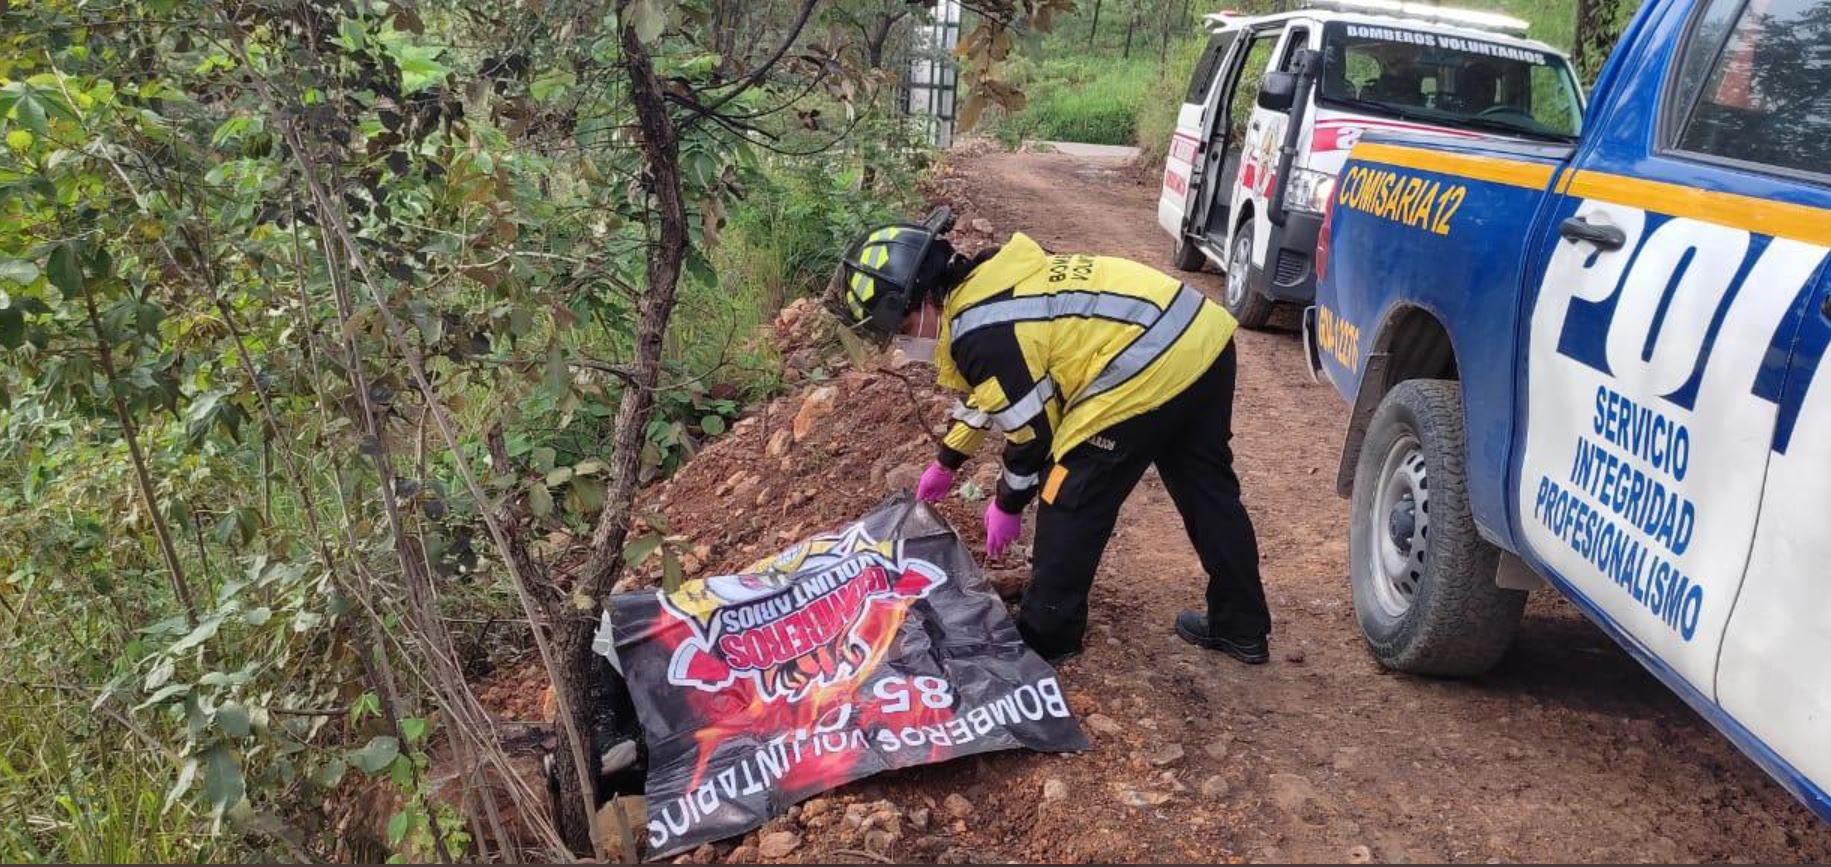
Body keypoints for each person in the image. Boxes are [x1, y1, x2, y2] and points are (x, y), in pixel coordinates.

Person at [830, 209, 1272, 664]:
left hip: (1145, 361)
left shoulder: (979, 331)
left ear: (921, 301)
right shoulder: (987, 282)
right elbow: (993, 393)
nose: (904, 344)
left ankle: (1046, 637)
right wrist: (947, 462)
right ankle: (1241, 627)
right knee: (1208, 492)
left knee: (1069, 494)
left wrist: (1007, 504)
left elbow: (1033, 436)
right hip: (1199, 339)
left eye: (902, 331)